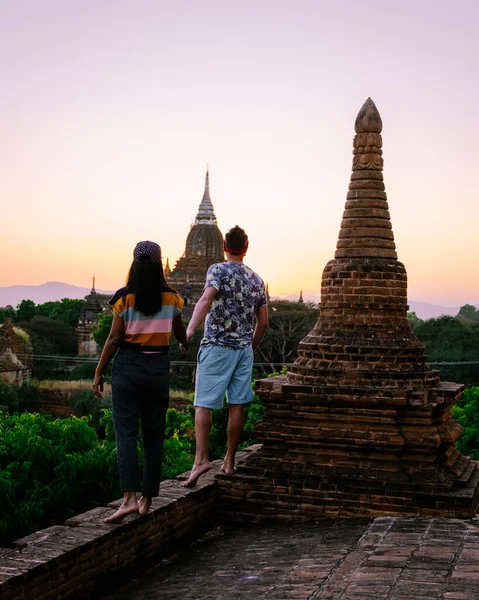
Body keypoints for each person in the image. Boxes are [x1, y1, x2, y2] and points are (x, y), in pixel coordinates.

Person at [93, 241, 187, 522]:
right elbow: (180, 333)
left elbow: (113, 339)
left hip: (128, 366)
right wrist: (182, 343)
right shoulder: (173, 299)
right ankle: (147, 500)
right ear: (159, 264)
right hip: (157, 367)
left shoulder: (124, 298)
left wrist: (99, 371)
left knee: (126, 436)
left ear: (134, 264)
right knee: (153, 437)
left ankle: (129, 498)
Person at [182, 225, 268, 487]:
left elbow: (206, 299)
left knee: (203, 404)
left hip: (217, 345)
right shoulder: (257, 279)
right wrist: (250, 347)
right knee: (237, 405)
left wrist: (190, 328)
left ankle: (201, 459)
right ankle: (229, 461)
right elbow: (263, 323)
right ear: (246, 247)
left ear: (224, 247)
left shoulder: (217, 270)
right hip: (243, 350)